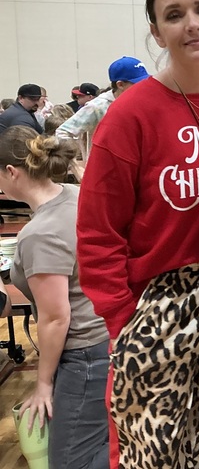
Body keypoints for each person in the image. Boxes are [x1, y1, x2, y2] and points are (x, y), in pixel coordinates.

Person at [76, 0, 199, 469]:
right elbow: (98, 232)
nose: (192, 24)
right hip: (159, 305)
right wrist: (123, 320)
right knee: (155, 454)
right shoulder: (130, 114)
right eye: (174, 15)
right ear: (156, 32)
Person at [2, 126, 109, 469]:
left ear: (11, 172)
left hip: (85, 354)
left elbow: (56, 318)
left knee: (69, 462)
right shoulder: (77, 194)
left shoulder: (40, 234)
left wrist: (43, 384)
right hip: (110, 336)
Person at [56, 57, 149, 160]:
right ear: (120, 85)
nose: (143, 86)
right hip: (105, 171)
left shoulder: (141, 102)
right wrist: (75, 165)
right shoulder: (98, 106)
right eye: (138, 83)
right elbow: (63, 132)